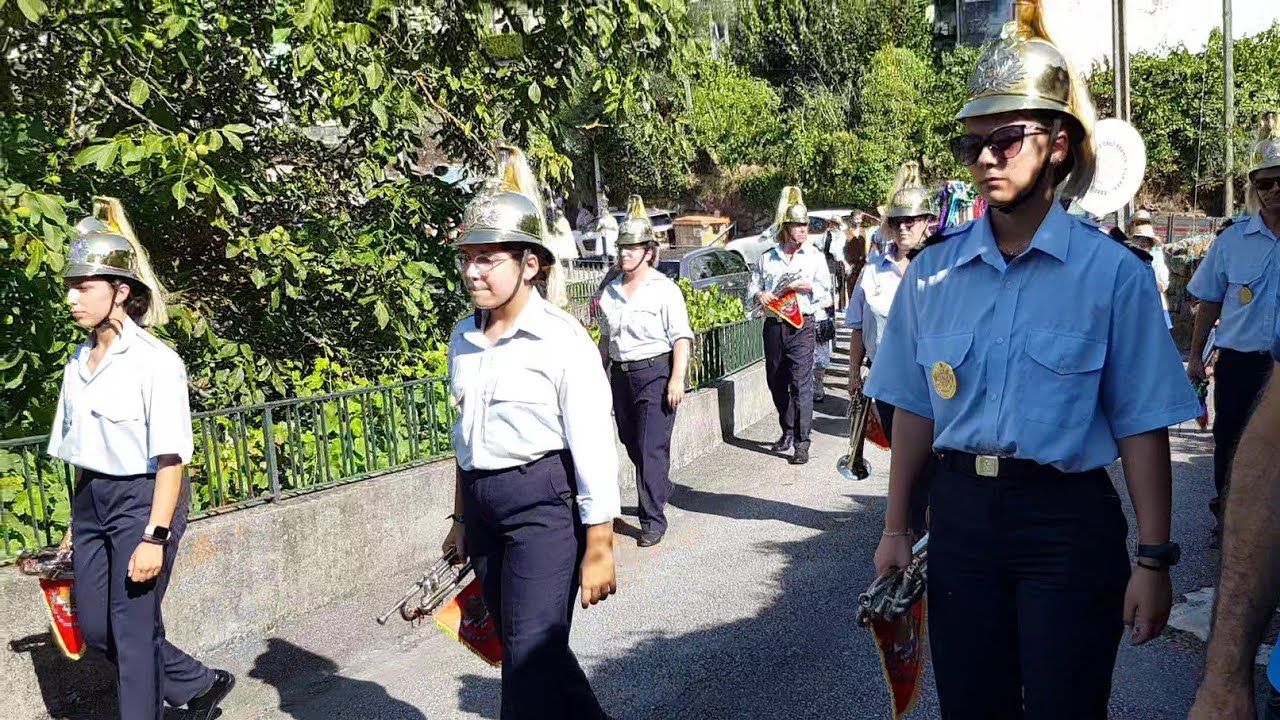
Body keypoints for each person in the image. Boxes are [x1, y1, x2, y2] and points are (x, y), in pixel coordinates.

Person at [864, 6, 1200, 718]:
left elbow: (1142, 424)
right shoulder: (932, 277)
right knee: (972, 707)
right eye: (973, 144)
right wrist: (897, 527)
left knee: (1065, 705)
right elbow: (915, 410)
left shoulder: (1114, 277)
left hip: (1066, 523)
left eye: (1006, 138)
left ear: (1056, 145)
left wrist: (1155, 560)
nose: (986, 157)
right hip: (960, 520)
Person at [440, 146, 620, 719]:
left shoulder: (563, 341)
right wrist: (461, 520)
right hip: (485, 510)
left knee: (526, 660)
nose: (473, 272)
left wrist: (600, 544)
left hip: (544, 510)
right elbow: (464, 438)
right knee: (534, 656)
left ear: (530, 264)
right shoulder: (461, 339)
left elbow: (593, 444)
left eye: (488, 259)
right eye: (468, 258)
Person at [47, 198, 234, 720]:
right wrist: (73, 524)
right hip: (92, 500)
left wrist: (155, 535)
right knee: (97, 628)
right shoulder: (77, 363)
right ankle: (196, 683)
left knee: (132, 633)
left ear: (120, 292)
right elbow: (83, 455)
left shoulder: (156, 363)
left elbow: (172, 458)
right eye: (70, 285)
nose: (71, 297)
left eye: (83, 286)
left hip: (144, 498)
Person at [1186, 110, 1280, 545]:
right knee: (1231, 443)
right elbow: (1208, 302)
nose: (1276, 189)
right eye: (1266, 182)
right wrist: (1194, 358)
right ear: (1255, 190)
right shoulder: (1231, 242)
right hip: (1241, 363)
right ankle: (1228, 519)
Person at [597, 195, 693, 548]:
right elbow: (606, 342)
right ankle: (658, 486)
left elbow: (681, 337)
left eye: (632, 249)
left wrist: (677, 379)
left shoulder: (664, 291)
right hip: (623, 375)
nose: (625, 255)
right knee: (632, 441)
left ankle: (652, 519)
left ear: (648, 252)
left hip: (655, 373)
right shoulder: (610, 294)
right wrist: (598, 376)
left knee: (651, 447)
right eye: (622, 249)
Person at [847, 181, 936, 448]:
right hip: (885, 378)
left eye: (910, 221)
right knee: (899, 449)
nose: (903, 227)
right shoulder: (872, 270)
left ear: (926, 221)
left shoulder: (942, 267)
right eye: (897, 222)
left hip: (929, 379)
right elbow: (858, 328)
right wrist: (853, 373)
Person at [749, 186, 834, 465]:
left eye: (805, 225)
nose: (802, 230)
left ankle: (801, 442)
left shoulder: (814, 257)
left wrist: (805, 286)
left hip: (802, 326)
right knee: (776, 381)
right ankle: (787, 429)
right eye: (797, 225)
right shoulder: (767, 258)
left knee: (801, 384)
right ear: (786, 228)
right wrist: (760, 294)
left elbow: (826, 293)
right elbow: (752, 290)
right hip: (774, 326)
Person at [1129, 209, 1172, 329]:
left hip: (1153, 307)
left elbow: (1162, 284)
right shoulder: (1129, 259)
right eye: (1139, 241)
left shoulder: (1155, 257)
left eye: (1145, 242)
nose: (1142, 244)